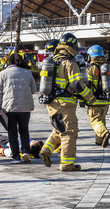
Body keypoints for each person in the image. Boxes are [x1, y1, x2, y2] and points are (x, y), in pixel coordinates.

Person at [38, 33, 94, 171]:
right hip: (65, 103)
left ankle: (46, 151)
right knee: (70, 132)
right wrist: (90, 97)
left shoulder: (53, 60)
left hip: (51, 103)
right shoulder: (69, 63)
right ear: (72, 46)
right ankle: (67, 165)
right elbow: (77, 85)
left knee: (59, 128)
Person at [0, 53, 37, 164]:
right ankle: (25, 152)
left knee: (12, 132)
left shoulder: (3, 74)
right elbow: (33, 90)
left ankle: (15, 157)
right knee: (24, 130)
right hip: (25, 107)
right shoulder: (28, 73)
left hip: (9, 107)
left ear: (9, 62)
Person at [85, 45, 110, 147]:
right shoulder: (108, 68)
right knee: (102, 120)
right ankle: (99, 141)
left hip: (93, 100)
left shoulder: (90, 69)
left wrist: (83, 99)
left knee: (94, 120)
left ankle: (104, 133)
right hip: (106, 100)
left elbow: (87, 85)